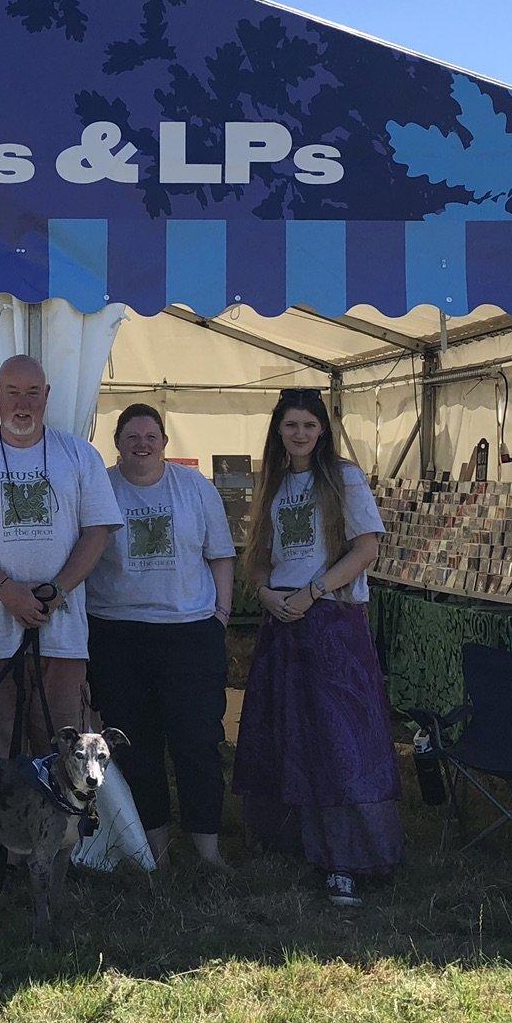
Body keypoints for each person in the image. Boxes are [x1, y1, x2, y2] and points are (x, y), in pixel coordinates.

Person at [231, 387, 401, 907]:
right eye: (290, 426)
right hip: (284, 621)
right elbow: (259, 552)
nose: (300, 434)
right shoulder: (275, 483)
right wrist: (264, 592)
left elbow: (367, 547)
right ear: (278, 431)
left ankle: (347, 858)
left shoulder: (343, 478)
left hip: (331, 623)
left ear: (322, 429)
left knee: (339, 741)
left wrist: (313, 592)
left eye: (308, 425)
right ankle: (293, 841)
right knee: (288, 733)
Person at [0, 354, 122, 761]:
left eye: (32, 393)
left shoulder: (79, 455)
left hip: (64, 635)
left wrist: (58, 590)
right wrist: (6, 591)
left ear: (47, 396)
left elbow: (98, 531)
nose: (22, 403)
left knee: (64, 752)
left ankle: (65, 827)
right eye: (13, 393)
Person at [84, 404, 237, 868]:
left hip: (190, 633)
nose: (142, 444)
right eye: (132, 437)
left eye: (151, 436)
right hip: (117, 635)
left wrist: (220, 618)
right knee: (137, 745)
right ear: (117, 443)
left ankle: (207, 848)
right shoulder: (100, 488)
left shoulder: (194, 487)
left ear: (165, 443)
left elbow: (222, 555)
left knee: (197, 743)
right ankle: (155, 848)